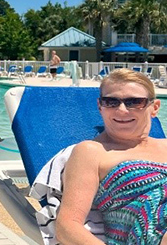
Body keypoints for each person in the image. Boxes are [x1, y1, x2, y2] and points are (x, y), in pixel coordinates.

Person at [56, 68, 167, 245]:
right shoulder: (91, 152)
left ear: (154, 108)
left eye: (134, 102)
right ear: (100, 106)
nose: (122, 110)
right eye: (111, 102)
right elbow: (67, 227)